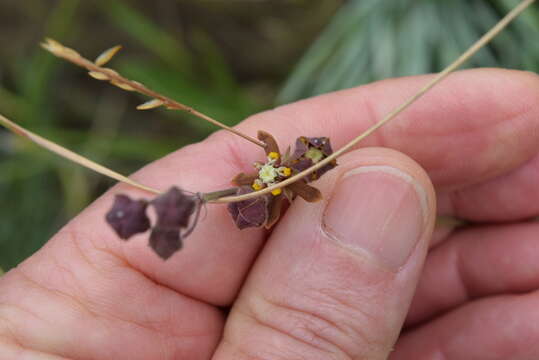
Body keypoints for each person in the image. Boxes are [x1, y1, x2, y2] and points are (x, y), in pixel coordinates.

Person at [0, 69, 538, 359]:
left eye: (289, 164)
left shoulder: (293, 174)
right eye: (279, 166)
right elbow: (273, 175)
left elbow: (297, 181)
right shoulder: (269, 182)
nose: (276, 170)